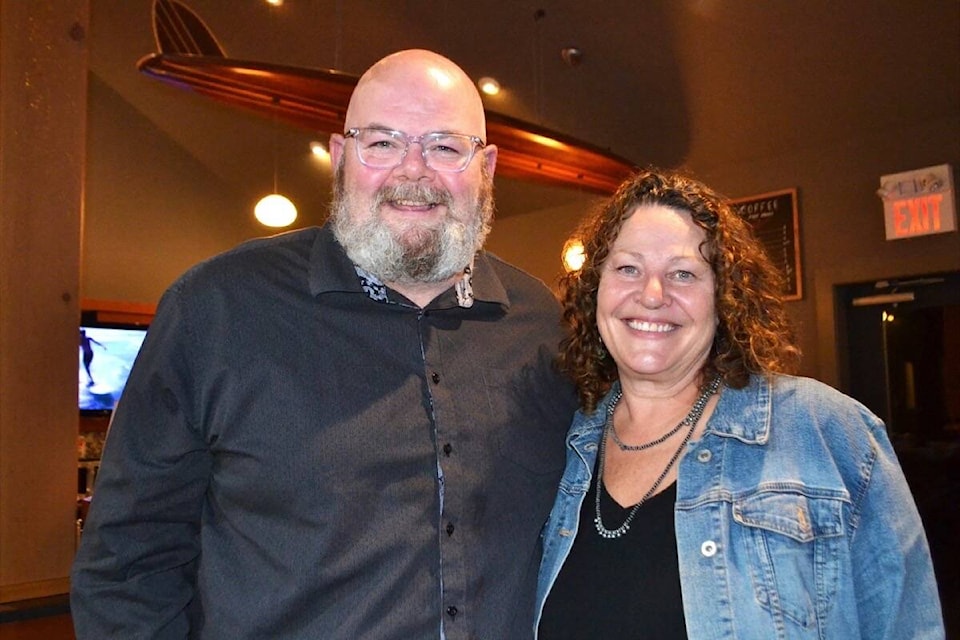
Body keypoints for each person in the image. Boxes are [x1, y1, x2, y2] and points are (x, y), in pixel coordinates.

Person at [71, 49, 577, 639]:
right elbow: (128, 563)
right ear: (340, 157)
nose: (413, 171)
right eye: (382, 143)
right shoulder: (217, 309)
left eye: (444, 146)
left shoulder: (543, 327)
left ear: (486, 166)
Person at [534, 169, 945, 639]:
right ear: (595, 291)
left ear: (724, 297)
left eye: (683, 273)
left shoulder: (825, 430)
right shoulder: (563, 447)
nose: (651, 294)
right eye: (627, 268)